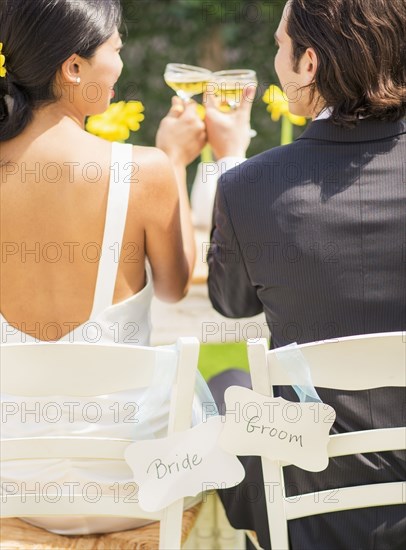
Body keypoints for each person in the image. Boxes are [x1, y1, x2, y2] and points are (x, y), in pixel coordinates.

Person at [0, 0, 209, 535]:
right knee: (212, 400)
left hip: (14, 482)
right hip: (136, 481)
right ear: (73, 67)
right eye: (115, 49)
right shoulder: (145, 171)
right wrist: (177, 163)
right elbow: (173, 288)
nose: (121, 62)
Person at [206, 0, 406, 548]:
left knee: (218, 381)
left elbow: (231, 304)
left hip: (309, 514)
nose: (276, 59)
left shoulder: (250, 186)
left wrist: (230, 160)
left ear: (310, 63)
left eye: (278, 45)